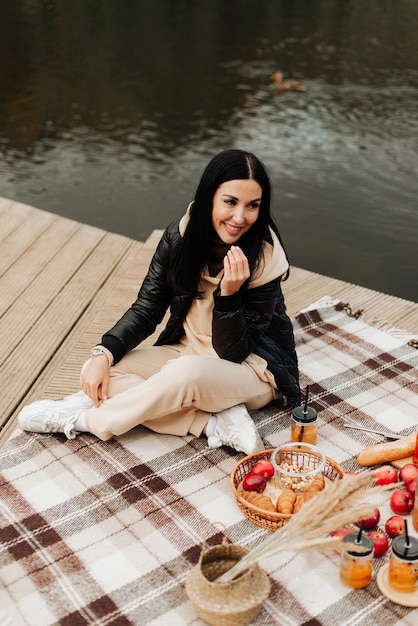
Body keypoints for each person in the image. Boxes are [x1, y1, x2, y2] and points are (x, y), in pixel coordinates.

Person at [18, 149, 301, 455]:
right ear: (209, 198)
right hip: (186, 351)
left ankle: (84, 420)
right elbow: (147, 308)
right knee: (101, 373)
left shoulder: (265, 260)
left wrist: (230, 295)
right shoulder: (179, 239)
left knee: (184, 375)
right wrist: (103, 354)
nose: (239, 218)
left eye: (252, 206)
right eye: (230, 202)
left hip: (253, 370)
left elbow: (233, 352)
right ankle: (211, 423)